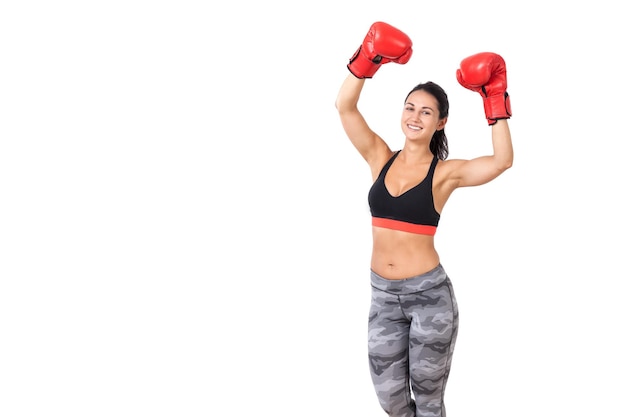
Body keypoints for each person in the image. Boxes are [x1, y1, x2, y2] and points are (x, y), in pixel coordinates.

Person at [335, 21, 513, 417]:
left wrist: (494, 99)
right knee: (392, 403)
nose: (415, 116)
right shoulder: (379, 156)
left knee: (429, 403)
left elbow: (502, 161)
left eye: (426, 111)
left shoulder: (445, 174)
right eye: (410, 107)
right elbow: (344, 107)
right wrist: (366, 61)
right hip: (382, 296)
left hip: (429, 297)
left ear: (440, 122)